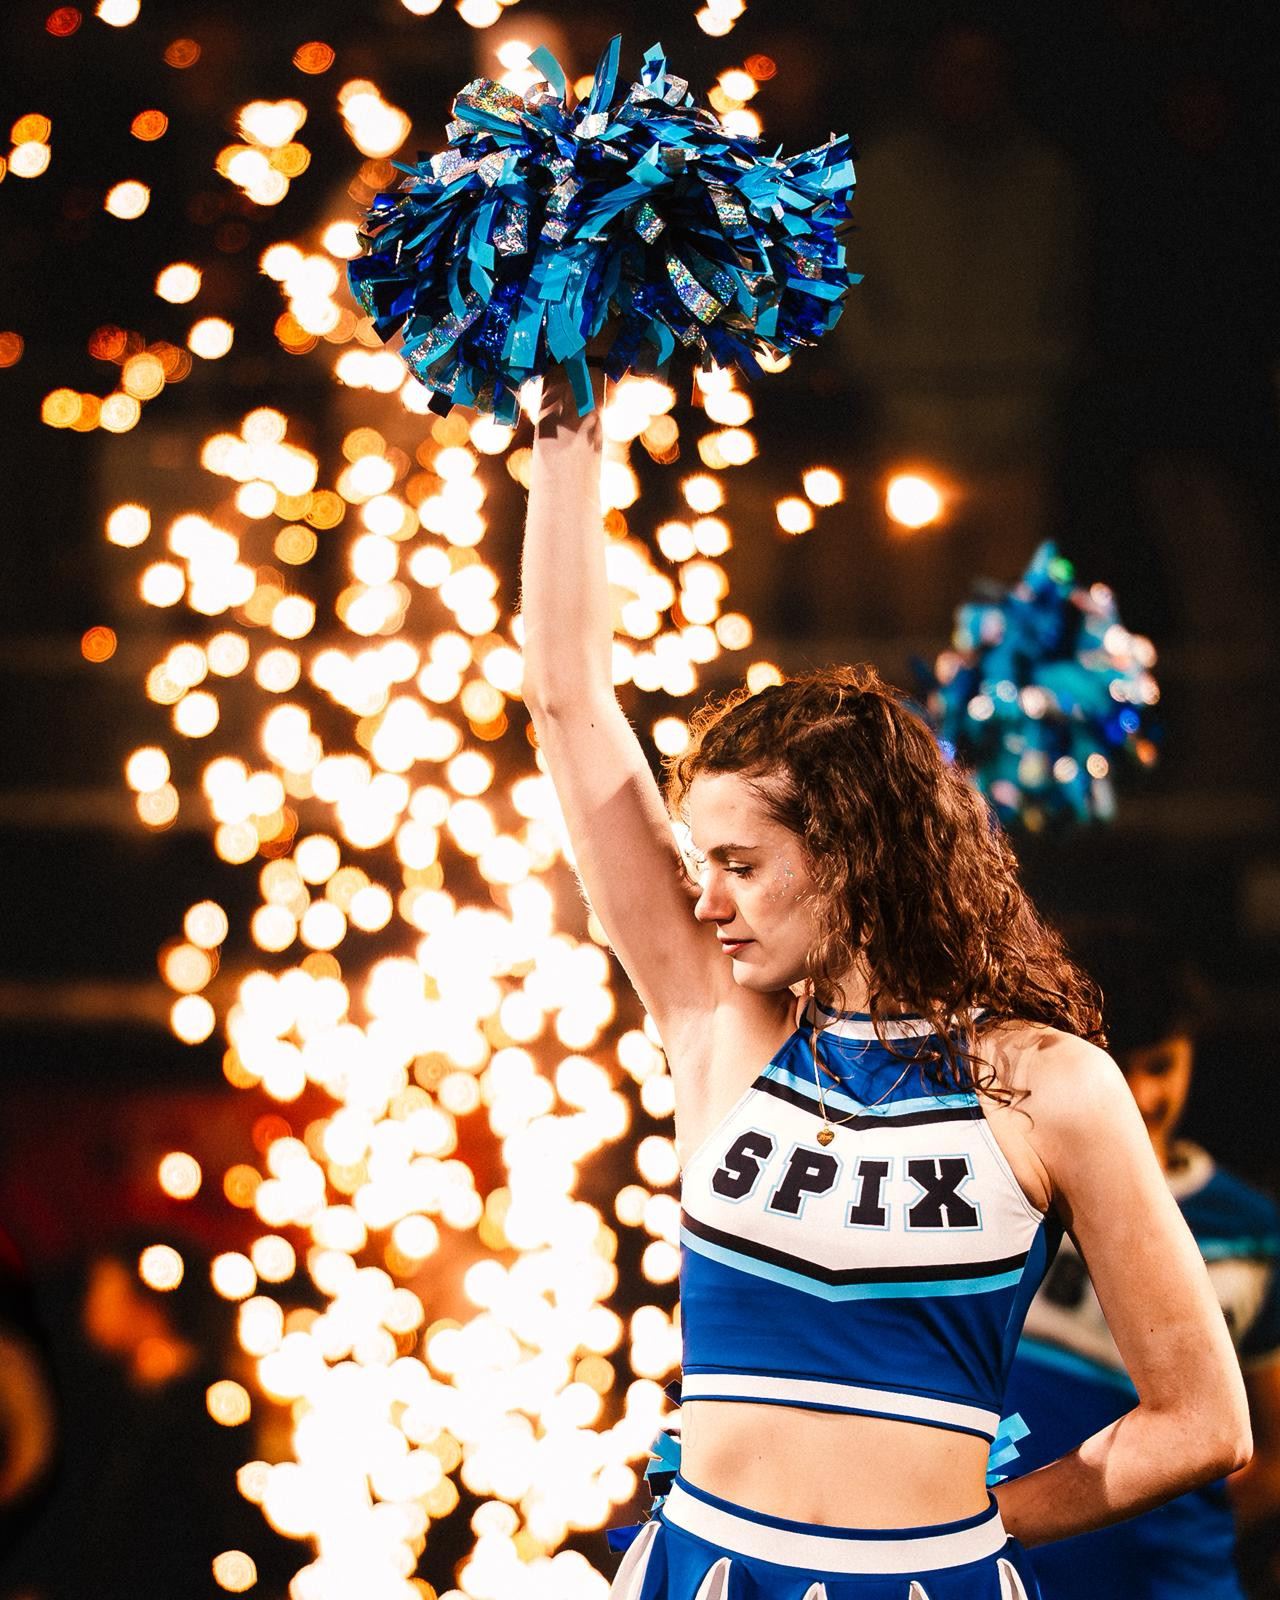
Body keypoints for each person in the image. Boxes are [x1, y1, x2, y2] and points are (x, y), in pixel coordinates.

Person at [521, 366, 1250, 1600]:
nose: (706, 899)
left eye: (741, 864)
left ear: (852, 855)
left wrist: (974, 1536)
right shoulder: (717, 1021)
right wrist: (566, 414)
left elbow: (1202, 1423)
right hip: (704, 1571)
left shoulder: (1052, 1085)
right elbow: (564, 697)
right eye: (701, 862)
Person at [1003, 930, 1280, 1599]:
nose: (1137, 1094)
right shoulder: (1003, 1188)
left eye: (1160, 1065)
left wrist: (1171, 1533)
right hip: (1009, 1568)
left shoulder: (1248, 1231)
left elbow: (1270, 1452)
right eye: (1115, 1067)